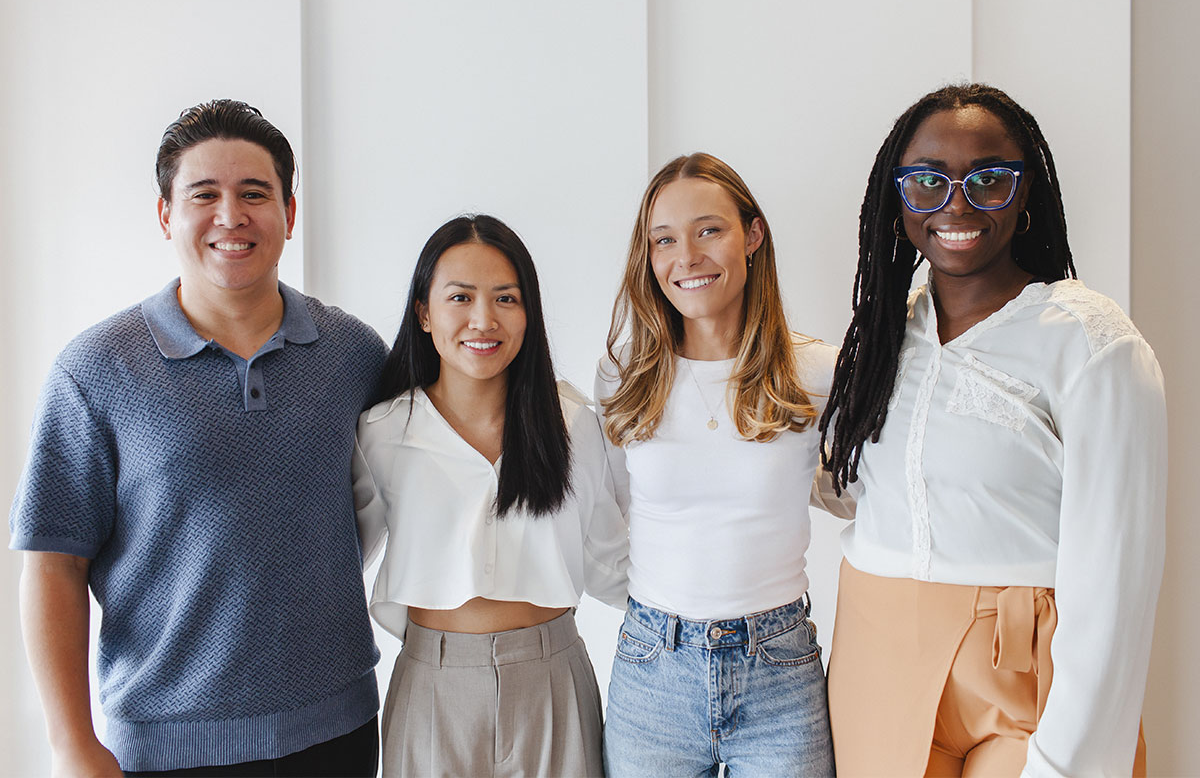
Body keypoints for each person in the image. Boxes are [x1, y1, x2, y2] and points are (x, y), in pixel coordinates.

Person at [9, 100, 386, 777]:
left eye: (254, 194)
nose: (231, 217)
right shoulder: (96, 369)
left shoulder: (352, 353)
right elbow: (51, 565)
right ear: (166, 216)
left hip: (341, 732)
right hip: (164, 751)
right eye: (203, 195)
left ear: (290, 214)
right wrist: (72, 746)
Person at [819, 83, 1166, 777]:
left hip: (1024, 672)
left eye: (988, 179)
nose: (955, 204)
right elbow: (854, 479)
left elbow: (1117, 580)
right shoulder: (886, 335)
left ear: (1026, 191)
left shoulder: (1091, 344)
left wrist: (1073, 762)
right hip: (874, 658)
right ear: (897, 199)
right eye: (926, 180)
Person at [595, 153, 849, 776]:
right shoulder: (625, 376)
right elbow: (606, 511)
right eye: (664, 240)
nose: (687, 256)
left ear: (752, 235)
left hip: (780, 672)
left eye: (709, 229)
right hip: (653, 672)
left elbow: (866, 497)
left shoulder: (814, 372)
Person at [352, 214, 628, 777]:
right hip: (433, 685)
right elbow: (341, 558)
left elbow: (611, 565)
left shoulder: (573, 423)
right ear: (424, 313)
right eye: (460, 297)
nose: (484, 319)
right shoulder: (383, 431)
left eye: (506, 297)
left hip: (552, 683)